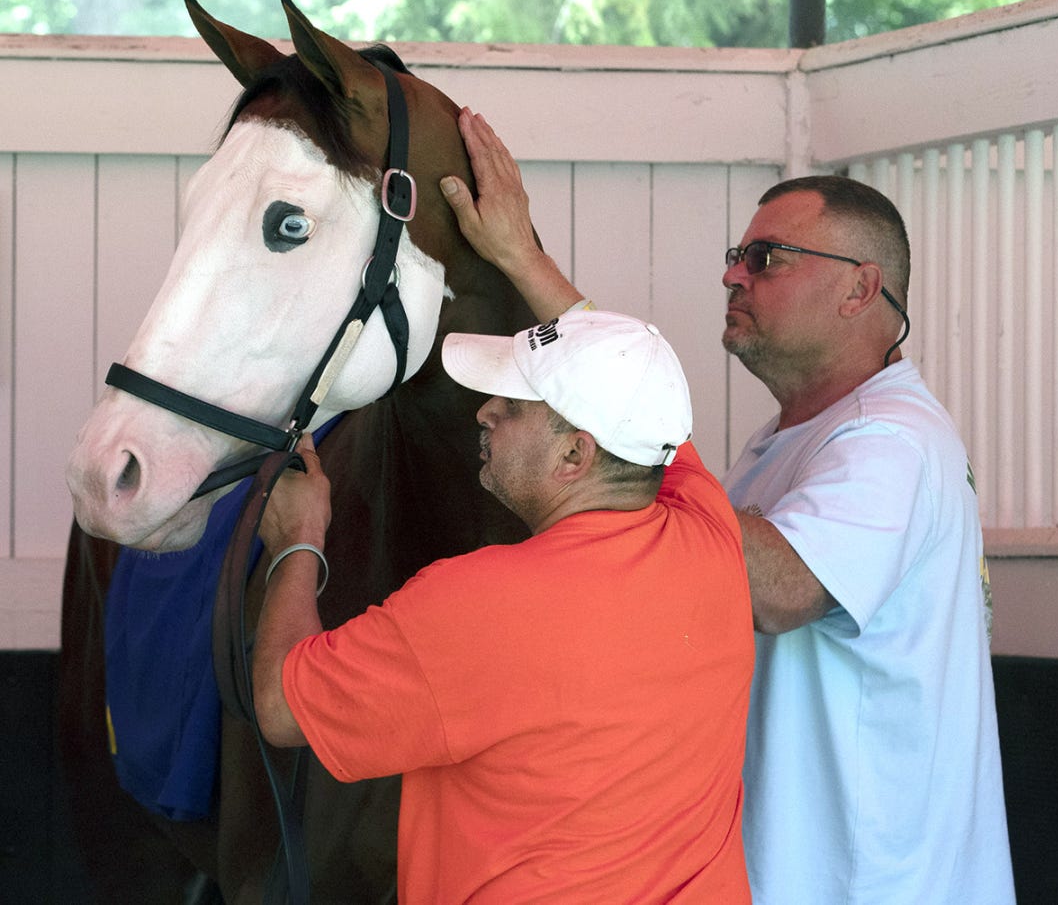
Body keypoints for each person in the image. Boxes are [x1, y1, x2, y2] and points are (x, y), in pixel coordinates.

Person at [252, 109, 755, 902]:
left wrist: (297, 540)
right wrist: (520, 252)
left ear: (576, 454)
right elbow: (634, 386)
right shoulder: (705, 532)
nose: (483, 412)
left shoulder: (472, 604)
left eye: (512, 405)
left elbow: (282, 707)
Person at [721, 175, 1015, 903]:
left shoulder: (890, 439)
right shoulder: (792, 437)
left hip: (869, 885)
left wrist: (632, 436)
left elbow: (784, 590)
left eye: (766, 258)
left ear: (860, 288)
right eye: (736, 256)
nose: (733, 276)